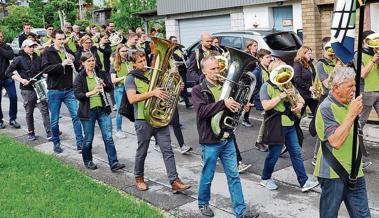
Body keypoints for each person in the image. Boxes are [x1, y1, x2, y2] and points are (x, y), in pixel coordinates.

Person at [191, 55, 259, 218]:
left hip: (227, 138)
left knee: (234, 175)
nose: (217, 71)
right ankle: (203, 203)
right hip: (210, 140)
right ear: (204, 71)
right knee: (208, 176)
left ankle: (240, 210)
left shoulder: (226, 86)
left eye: (218, 68)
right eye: (212, 69)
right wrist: (223, 103)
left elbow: (232, 109)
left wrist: (242, 106)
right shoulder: (198, 90)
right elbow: (201, 112)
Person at [125, 50, 191, 193]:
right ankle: (139, 177)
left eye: (144, 60)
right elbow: (132, 99)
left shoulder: (156, 74)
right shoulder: (130, 78)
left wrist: (177, 88)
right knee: (142, 151)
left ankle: (174, 181)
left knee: (168, 151)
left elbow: (166, 93)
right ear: (133, 64)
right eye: (140, 61)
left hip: (160, 119)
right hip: (143, 120)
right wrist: (152, 93)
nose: (144, 63)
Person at [314, 66, 371, 218]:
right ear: (336, 88)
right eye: (350, 86)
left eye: (355, 85)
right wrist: (352, 114)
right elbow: (336, 142)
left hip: (355, 172)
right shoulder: (326, 108)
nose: (354, 89)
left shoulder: (350, 104)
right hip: (333, 173)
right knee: (329, 215)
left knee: (363, 215)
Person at [259, 61, 319, 192]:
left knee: (296, 153)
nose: (283, 74)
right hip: (276, 125)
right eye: (279, 71)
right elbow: (266, 106)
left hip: (290, 124)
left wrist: (300, 105)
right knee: (273, 155)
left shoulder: (288, 84)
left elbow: (301, 99)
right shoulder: (266, 86)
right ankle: (265, 178)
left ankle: (303, 182)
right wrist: (281, 96)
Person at [73, 52, 126, 172]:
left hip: (103, 109)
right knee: (88, 139)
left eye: (93, 60)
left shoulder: (100, 73)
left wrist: (104, 84)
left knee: (108, 137)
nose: (92, 63)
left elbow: (110, 88)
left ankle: (114, 163)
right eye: (89, 61)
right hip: (88, 111)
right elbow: (78, 95)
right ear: (83, 63)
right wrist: (92, 92)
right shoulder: (80, 77)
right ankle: (88, 161)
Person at [41, 29, 84, 153]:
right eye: (59, 39)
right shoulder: (48, 52)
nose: (61, 41)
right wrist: (61, 64)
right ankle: (56, 142)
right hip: (54, 90)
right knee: (54, 119)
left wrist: (74, 60)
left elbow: (76, 67)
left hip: (69, 89)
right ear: (53, 39)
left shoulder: (68, 51)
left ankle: (80, 143)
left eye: (63, 39)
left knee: (76, 116)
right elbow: (45, 69)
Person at [5, 39, 51, 140]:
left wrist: (46, 75)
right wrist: (21, 80)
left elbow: (42, 71)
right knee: (29, 112)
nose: (32, 48)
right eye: (30, 47)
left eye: (33, 47)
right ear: (24, 47)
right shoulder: (19, 59)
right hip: (27, 90)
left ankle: (49, 133)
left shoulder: (37, 57)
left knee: (44, 110)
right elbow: (7, 73)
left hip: (39, 87)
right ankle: (31, 132)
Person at [354, 30, 379, 169]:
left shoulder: (375, 53)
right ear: (365, 41)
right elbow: (362, 74)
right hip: (367, 92)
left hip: (378, 90)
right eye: (371, 40)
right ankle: (358, 155)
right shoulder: (358, 54)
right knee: (359, 125)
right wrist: (373, 60)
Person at [251, 49, 273, 152]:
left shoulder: (269, 69)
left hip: (269, 100)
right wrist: (264, 98)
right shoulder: (257, 72)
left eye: (270, 57)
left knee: (269, 121)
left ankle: (266, 141)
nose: (270, 59)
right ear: (260, 59)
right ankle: (259, 142)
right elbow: (254, 90)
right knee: (266, 121)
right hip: (262, 101)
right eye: (267, 57)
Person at [111, 44, 132, 138]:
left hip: (130, 88)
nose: (125, 53)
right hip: (120, 89)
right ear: (118, 52)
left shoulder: (129, 62)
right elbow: (113, 80)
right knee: (120, 110)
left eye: (126, 51)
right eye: (123, 51)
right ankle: (118, 130)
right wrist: (124, 77)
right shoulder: (115, 63)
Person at [0, 31, 20, 129]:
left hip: (7, 77)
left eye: (1, 36)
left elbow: (11, 56)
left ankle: (13, 119)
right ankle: (0, 120)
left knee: (13, 97)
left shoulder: (6, 47)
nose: (1, 37)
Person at [292, 46, 318, 117]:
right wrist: (309, 87)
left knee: (318, 115)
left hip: (311, 95)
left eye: (311, 53)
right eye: (309, 53)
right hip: (302, 95)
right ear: (303, 53)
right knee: (298, 117)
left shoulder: (310, 63)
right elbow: (297, 79)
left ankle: (312, 128)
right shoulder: (297, 64)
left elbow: (313, 76)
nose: (310, 55)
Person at [169, 36, 193, 108]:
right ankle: (177, 101)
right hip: (176, 71)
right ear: (170, 41)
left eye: (176, 40)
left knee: (184, 85)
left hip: (182, 69)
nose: (175, 42)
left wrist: (183, 56)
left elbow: (185, 57)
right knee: (178, 86)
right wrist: (180, 58)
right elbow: (176, 58)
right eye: (174, 40)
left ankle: (187, 102)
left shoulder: (179, 48)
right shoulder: (170, 50)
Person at [242, 39, 259, 127]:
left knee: (251, 100)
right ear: (249, 47)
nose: (256, 47)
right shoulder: (247, 56)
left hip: (254, 82)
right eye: (254, 46)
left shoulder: (256, 56)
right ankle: (245, 119)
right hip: (247, 83)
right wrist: (252, 75)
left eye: (257, 45)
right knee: (247, 101)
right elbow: (244, 71)